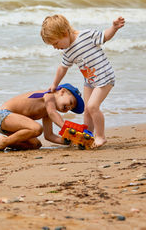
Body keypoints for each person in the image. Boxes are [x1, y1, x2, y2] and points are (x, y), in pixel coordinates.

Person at [41, 14, 125, 148]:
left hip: (104, 77)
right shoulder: (68, 52)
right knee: (87, 109)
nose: (55, 47)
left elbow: (105, 36)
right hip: (90, 81)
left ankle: (100, 136)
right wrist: (54, 84)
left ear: (64, 33)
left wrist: (114, 27)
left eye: (55, 43)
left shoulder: (86, 36)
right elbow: (62, 68)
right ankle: (88, 136)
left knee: (93, 106)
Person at [0, 83, 84, 152]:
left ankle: (0, 140)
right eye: (71, 102)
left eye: (71, 108)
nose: (69, 107)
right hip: (4, 116)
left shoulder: (48, 111)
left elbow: (49, 135)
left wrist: (68, 141)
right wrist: (66, 127)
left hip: (13, 127)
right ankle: (4, 142)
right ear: (62, 92)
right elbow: (53, 113)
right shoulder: (49, 96)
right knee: (36, 128)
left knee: (35, 145)